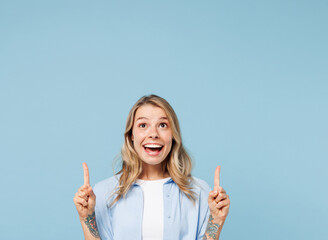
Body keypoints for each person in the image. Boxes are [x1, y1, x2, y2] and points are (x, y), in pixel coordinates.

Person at [73, 95, 230, 240]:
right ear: (131, 135)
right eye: (143, 125)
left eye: (162, 125)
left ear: (173, 135)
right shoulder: (104, 192)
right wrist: (85, 217)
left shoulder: (199, 191)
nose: (153, 134)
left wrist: (216, 221)